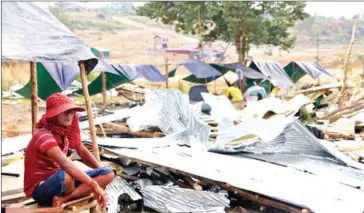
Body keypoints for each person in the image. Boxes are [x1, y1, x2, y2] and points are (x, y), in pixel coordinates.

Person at [24, 93, 115, 209]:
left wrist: (99, 172)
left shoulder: (65, 133)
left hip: (64, 182)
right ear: (53, 115)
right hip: (42, 188)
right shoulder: (43, 135)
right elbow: (66, 164)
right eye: (64, 112)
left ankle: (65, 198)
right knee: (67, 175)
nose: (69, 116)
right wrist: (94, 184)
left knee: (108, 173)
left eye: (71, 112)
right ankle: (72, 194)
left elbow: (81, 149)